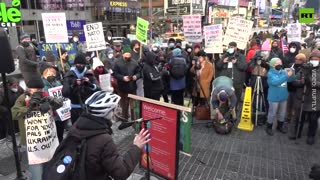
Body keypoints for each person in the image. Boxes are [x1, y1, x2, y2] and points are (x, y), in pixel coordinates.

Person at [67, 91, 150, 179]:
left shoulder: (75, 127)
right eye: (116, 108)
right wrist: (136, 147)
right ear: (108, 112)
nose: (118, 111)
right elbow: (121, 173)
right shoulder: (103, 140)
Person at [11, 74, 63, 180]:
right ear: (29, 88)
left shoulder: (45, 95)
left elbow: (60, 103)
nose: (38, 91)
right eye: (36, 88)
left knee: (49, 168)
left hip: (47, 140)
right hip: (31, 141)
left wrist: (50, 101)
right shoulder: (22, 98)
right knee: (36, 172)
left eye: (40, 88)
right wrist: (29, 107)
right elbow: (14, 113)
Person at [62, 54, 99, 124]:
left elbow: (98, 89)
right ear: (75, 64)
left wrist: (90, 84)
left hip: (89, 107)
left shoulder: (89, 74)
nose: (80, 66)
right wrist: (73, 84)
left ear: (85, 65)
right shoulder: (69, 76)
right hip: (75, 108)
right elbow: (65, 93)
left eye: (82, 64)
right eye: (78, 64)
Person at [266, 58, 295, 136]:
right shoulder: (270, 73)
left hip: (283, 97)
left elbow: (291, 79)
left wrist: (292, 72)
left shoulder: (283, 72)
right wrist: (286, 76)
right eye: (277, 63)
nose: (279, 65)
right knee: (272, 113)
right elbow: (276, 82)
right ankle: (269, 127)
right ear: (272, 65)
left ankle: (280, 126)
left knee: (282, 113)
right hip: (273, 97)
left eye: (280, 63)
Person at [216, 42, 247, 111]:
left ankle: (234, 112)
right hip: (226, 82)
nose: (231, 48)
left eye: (232, 47)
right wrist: (222, 62)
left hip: (237, 81)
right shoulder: (224, 56)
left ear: (236, 47)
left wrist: (236, 63)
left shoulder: (241, 56)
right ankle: (225, 112)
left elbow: (244, 67)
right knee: (225, 98)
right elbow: (218, 66)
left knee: (236, 98)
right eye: (229, 47)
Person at [40, 63, 68, 142]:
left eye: (53, 73)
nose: (51, 75)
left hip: (60, 114)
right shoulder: (41, 86)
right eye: (49, 73)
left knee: (60, 134)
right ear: (43, 74)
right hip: (51, 114)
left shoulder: (58, 83)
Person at [113, 45, 141, 121]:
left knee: (133, 106)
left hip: (132, 88)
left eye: (129, 55)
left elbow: (139, 73)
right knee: (124, 106)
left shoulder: (134, 62)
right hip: (122, 88)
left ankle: (134, 120)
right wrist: (122, 78)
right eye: (126, 55)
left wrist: (136, 77)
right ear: (123, 54)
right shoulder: (117, 62)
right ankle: (124, 119)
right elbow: (115, 74)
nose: (128, 56)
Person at [302, 50, 320, 145]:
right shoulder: (308, 67)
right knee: (310, 117)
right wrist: (305, 73)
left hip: (317, 98)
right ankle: (309, 130)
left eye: (316, 59)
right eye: (312, 59)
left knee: (314, 118)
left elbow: (314, 83)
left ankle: (311, 135)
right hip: (308, 96)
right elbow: (302, 80)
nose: (314, 60)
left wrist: (313, 82)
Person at [287, 53, 307, 140]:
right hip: (289, 90)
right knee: (288, 108)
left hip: (298, 93)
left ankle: (294, 131)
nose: (296, 60)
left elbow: (302, 82)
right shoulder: (291, 65)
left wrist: (295, 81)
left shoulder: (304, 69)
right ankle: (287, 121)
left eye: (299, 59)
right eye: (296, 59)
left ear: (302, 61)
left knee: (296, 111)